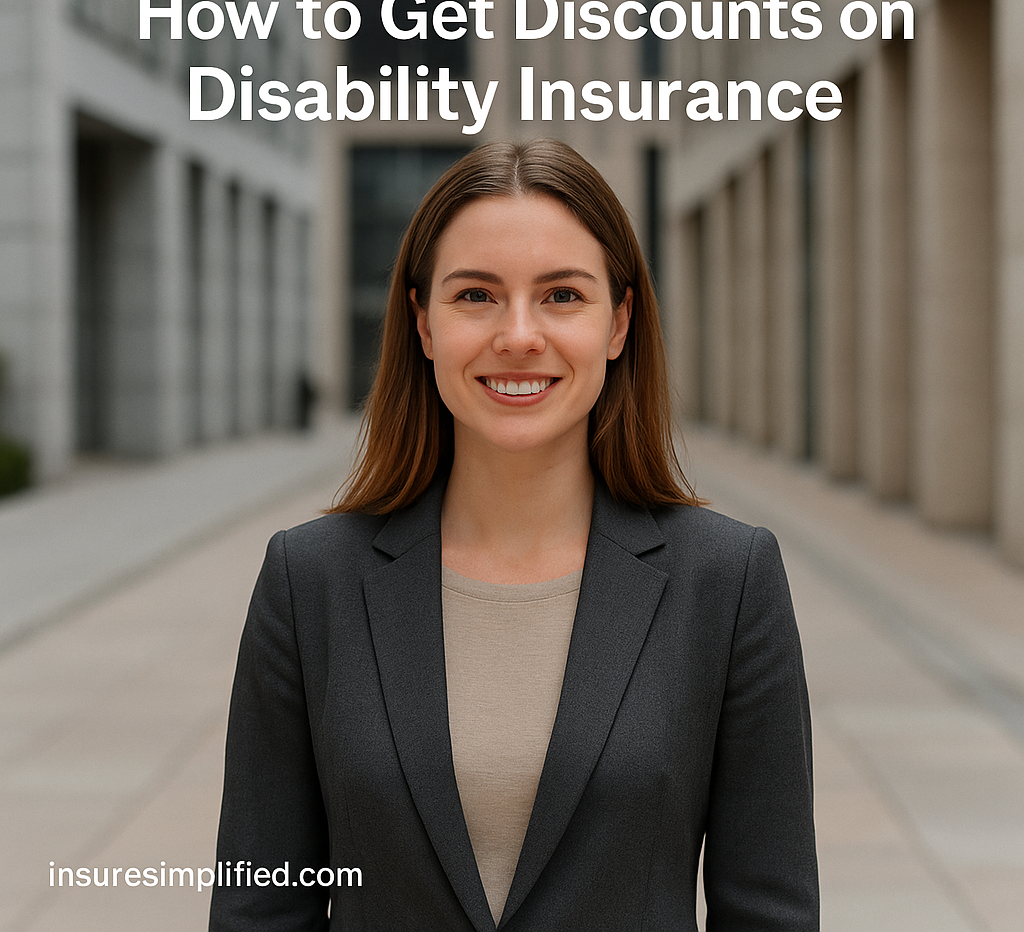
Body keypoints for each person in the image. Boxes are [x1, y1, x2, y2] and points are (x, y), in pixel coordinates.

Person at [210, 139, 818, 931]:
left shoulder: (729, 581)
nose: (519, 335)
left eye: (563, 295)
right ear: (423, 322)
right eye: (476, 296)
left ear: (619, 323)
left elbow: (769, 913)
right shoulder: (309, 580)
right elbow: (259, 912)